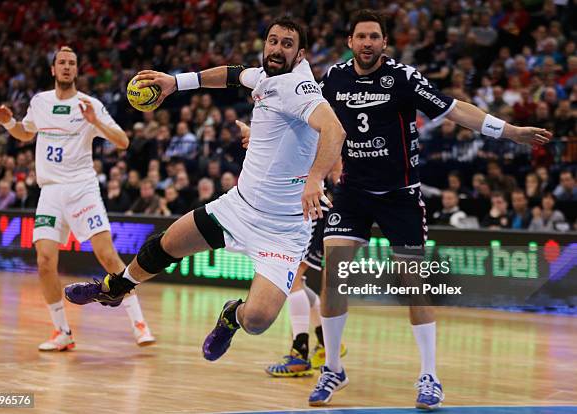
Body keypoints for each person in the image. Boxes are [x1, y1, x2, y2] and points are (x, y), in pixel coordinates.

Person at [64, 17, 345, 369]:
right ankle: (115, 287)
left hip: (284, 231)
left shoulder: (298, 87)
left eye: (287, 44)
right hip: (239, 208)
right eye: (272, 41)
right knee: (166, 245)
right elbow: (233, 74)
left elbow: (334, 129)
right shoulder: (263, 77)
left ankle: (231, 316)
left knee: (257, 320)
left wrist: (315, 178)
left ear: (300, 53)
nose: (276, 49)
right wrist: (174, 82)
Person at [309, 10, 550, 410]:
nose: (367, 43)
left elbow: (455, 109)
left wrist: (509, 131)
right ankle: (333, 368)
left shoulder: (403, 78)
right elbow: (308, 120)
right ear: (349, 41)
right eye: (361, 37)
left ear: (385, 42)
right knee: (333, 275)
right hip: (351, 192)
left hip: (400, 194)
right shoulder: (333, 79)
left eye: (375, 37)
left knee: (412, 282)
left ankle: (430, 375)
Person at [0, 46, 155, 351]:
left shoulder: (89, 104)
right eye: (62, 63)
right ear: (53, 70)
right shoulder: (39, 102)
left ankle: (139, 324)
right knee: (43, 262)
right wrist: (7, 123)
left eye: (72, 63)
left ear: (77, 70)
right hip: (50, 191)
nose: (67, 67)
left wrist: (95, 121)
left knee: (107, 257)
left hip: (82, 188)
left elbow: (123, 141)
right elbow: (25, 134)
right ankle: (62, 332)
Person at [235, 120, 347, 377]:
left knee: (293, 280)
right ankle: (325, 341)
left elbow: (335, 166)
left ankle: (299, 354)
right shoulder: (304, 120)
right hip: (307, 210)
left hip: (316, 209)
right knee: (298, 281)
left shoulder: (320, 122)